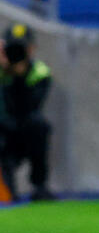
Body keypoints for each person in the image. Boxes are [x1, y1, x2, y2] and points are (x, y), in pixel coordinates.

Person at [0, 24, 53, 202]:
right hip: (2, 132)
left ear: (32, 49)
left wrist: (19, 76)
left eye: (22, 48)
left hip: (25, 130)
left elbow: (31, 107)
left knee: (39, 125)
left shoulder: (40, 72)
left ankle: (40, 185)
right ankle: (8, 189)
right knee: (8, 196)